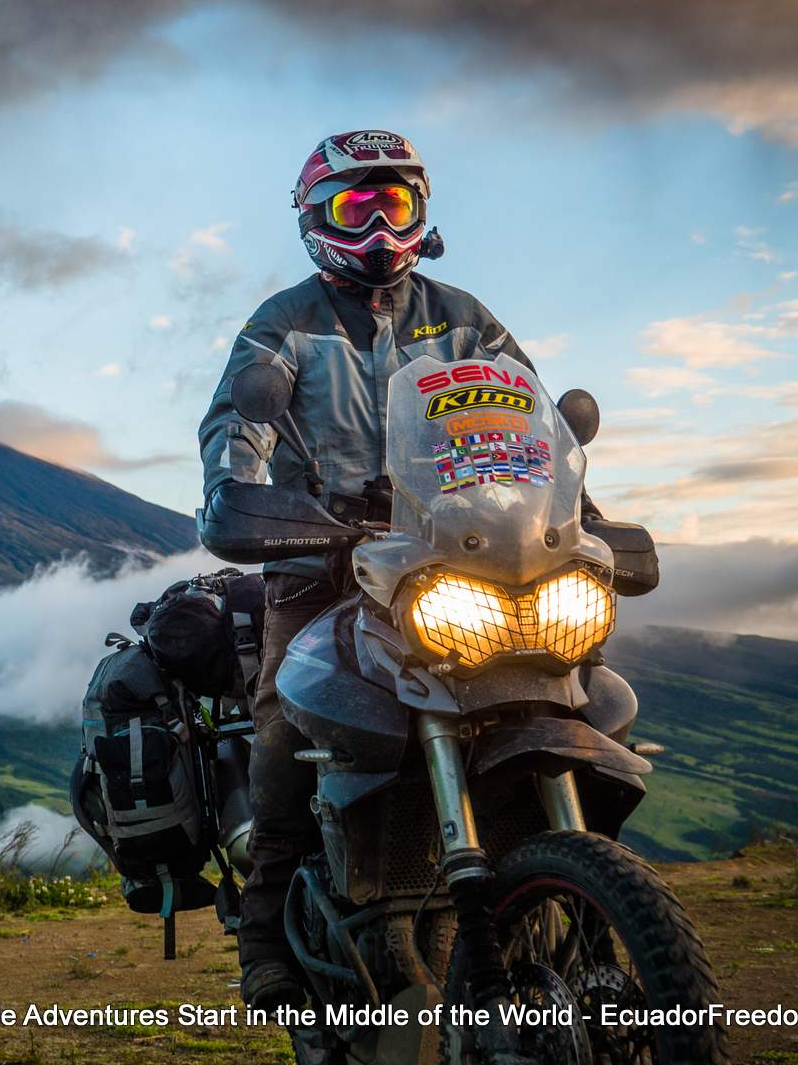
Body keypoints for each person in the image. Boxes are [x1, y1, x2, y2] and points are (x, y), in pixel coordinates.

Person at [197, 129, 546, 1012]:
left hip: (454, 559)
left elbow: (538, 424)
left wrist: (585, 509)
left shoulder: (466, 316)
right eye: (358, 206)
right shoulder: (284, 322)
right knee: (284, 720)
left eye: (396, 204)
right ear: (317, 218)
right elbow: (238, 422)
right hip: (317, 560)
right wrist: (239, 492)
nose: (381, 225)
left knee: (550, 678)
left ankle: (552, 884)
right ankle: (268, 935)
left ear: (422, 211)